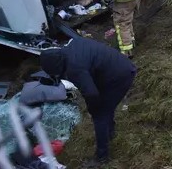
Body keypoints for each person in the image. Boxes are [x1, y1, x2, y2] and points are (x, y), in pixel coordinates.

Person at [40, 37, 137, 167]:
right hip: (115, 66)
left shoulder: (73, 68)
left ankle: (102, 157)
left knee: (100, 115)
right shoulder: (71, 44)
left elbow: (91, 93)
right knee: (105, 106)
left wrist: (92, 108)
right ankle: (110, 131)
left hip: (120, 76)